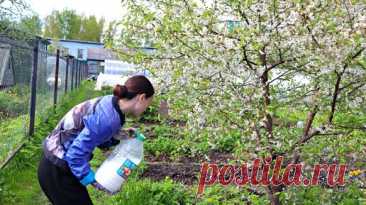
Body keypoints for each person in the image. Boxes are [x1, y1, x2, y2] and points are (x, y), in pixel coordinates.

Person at [37, 75, 154, 205]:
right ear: (142, 98)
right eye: (148, 105)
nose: (146, 110)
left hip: (57, 164)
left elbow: (96, 134)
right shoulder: (109, 118)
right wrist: (94, 181)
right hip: (57, 171)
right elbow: (75, 155)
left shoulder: (112, 103)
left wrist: (120, 134)